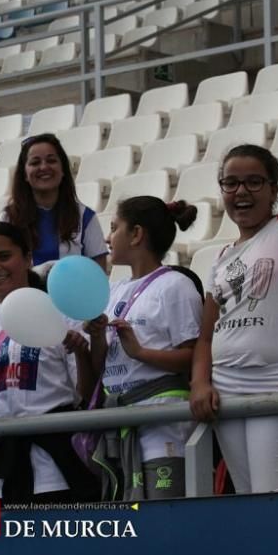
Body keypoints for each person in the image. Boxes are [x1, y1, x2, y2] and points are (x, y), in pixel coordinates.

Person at [0, 222, 98, 503]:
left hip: (54, 468)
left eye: (4, 256)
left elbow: (85, 393)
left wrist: (82, 353)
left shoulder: (62, 313)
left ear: (27, 258)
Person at [85, 196, 201, 500]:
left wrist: (140, 352)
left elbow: (194, 357)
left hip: (163, 424)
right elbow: (103, 368)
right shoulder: (115, 291)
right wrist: (97, 337)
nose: (108, 238)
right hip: (119, 421)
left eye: (114, 228)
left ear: (136, 234)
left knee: (163, 520)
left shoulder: (176, 285)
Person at [191, 144, 278, 494]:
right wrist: (200, 383)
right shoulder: (222, 256)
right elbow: (205, 336)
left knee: (270, 499)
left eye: (254, 182)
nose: (241, 191)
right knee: (247, 500)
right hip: (225, 393)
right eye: (230, 183)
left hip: (273, 386)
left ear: (274, 189)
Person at [0, 133, 108, 271]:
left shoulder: (86, 217)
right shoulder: (8, 218)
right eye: (35, 162)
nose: (44, 167)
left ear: (63, 170)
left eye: (51, 160)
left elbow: (98, 275)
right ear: (25, 174)